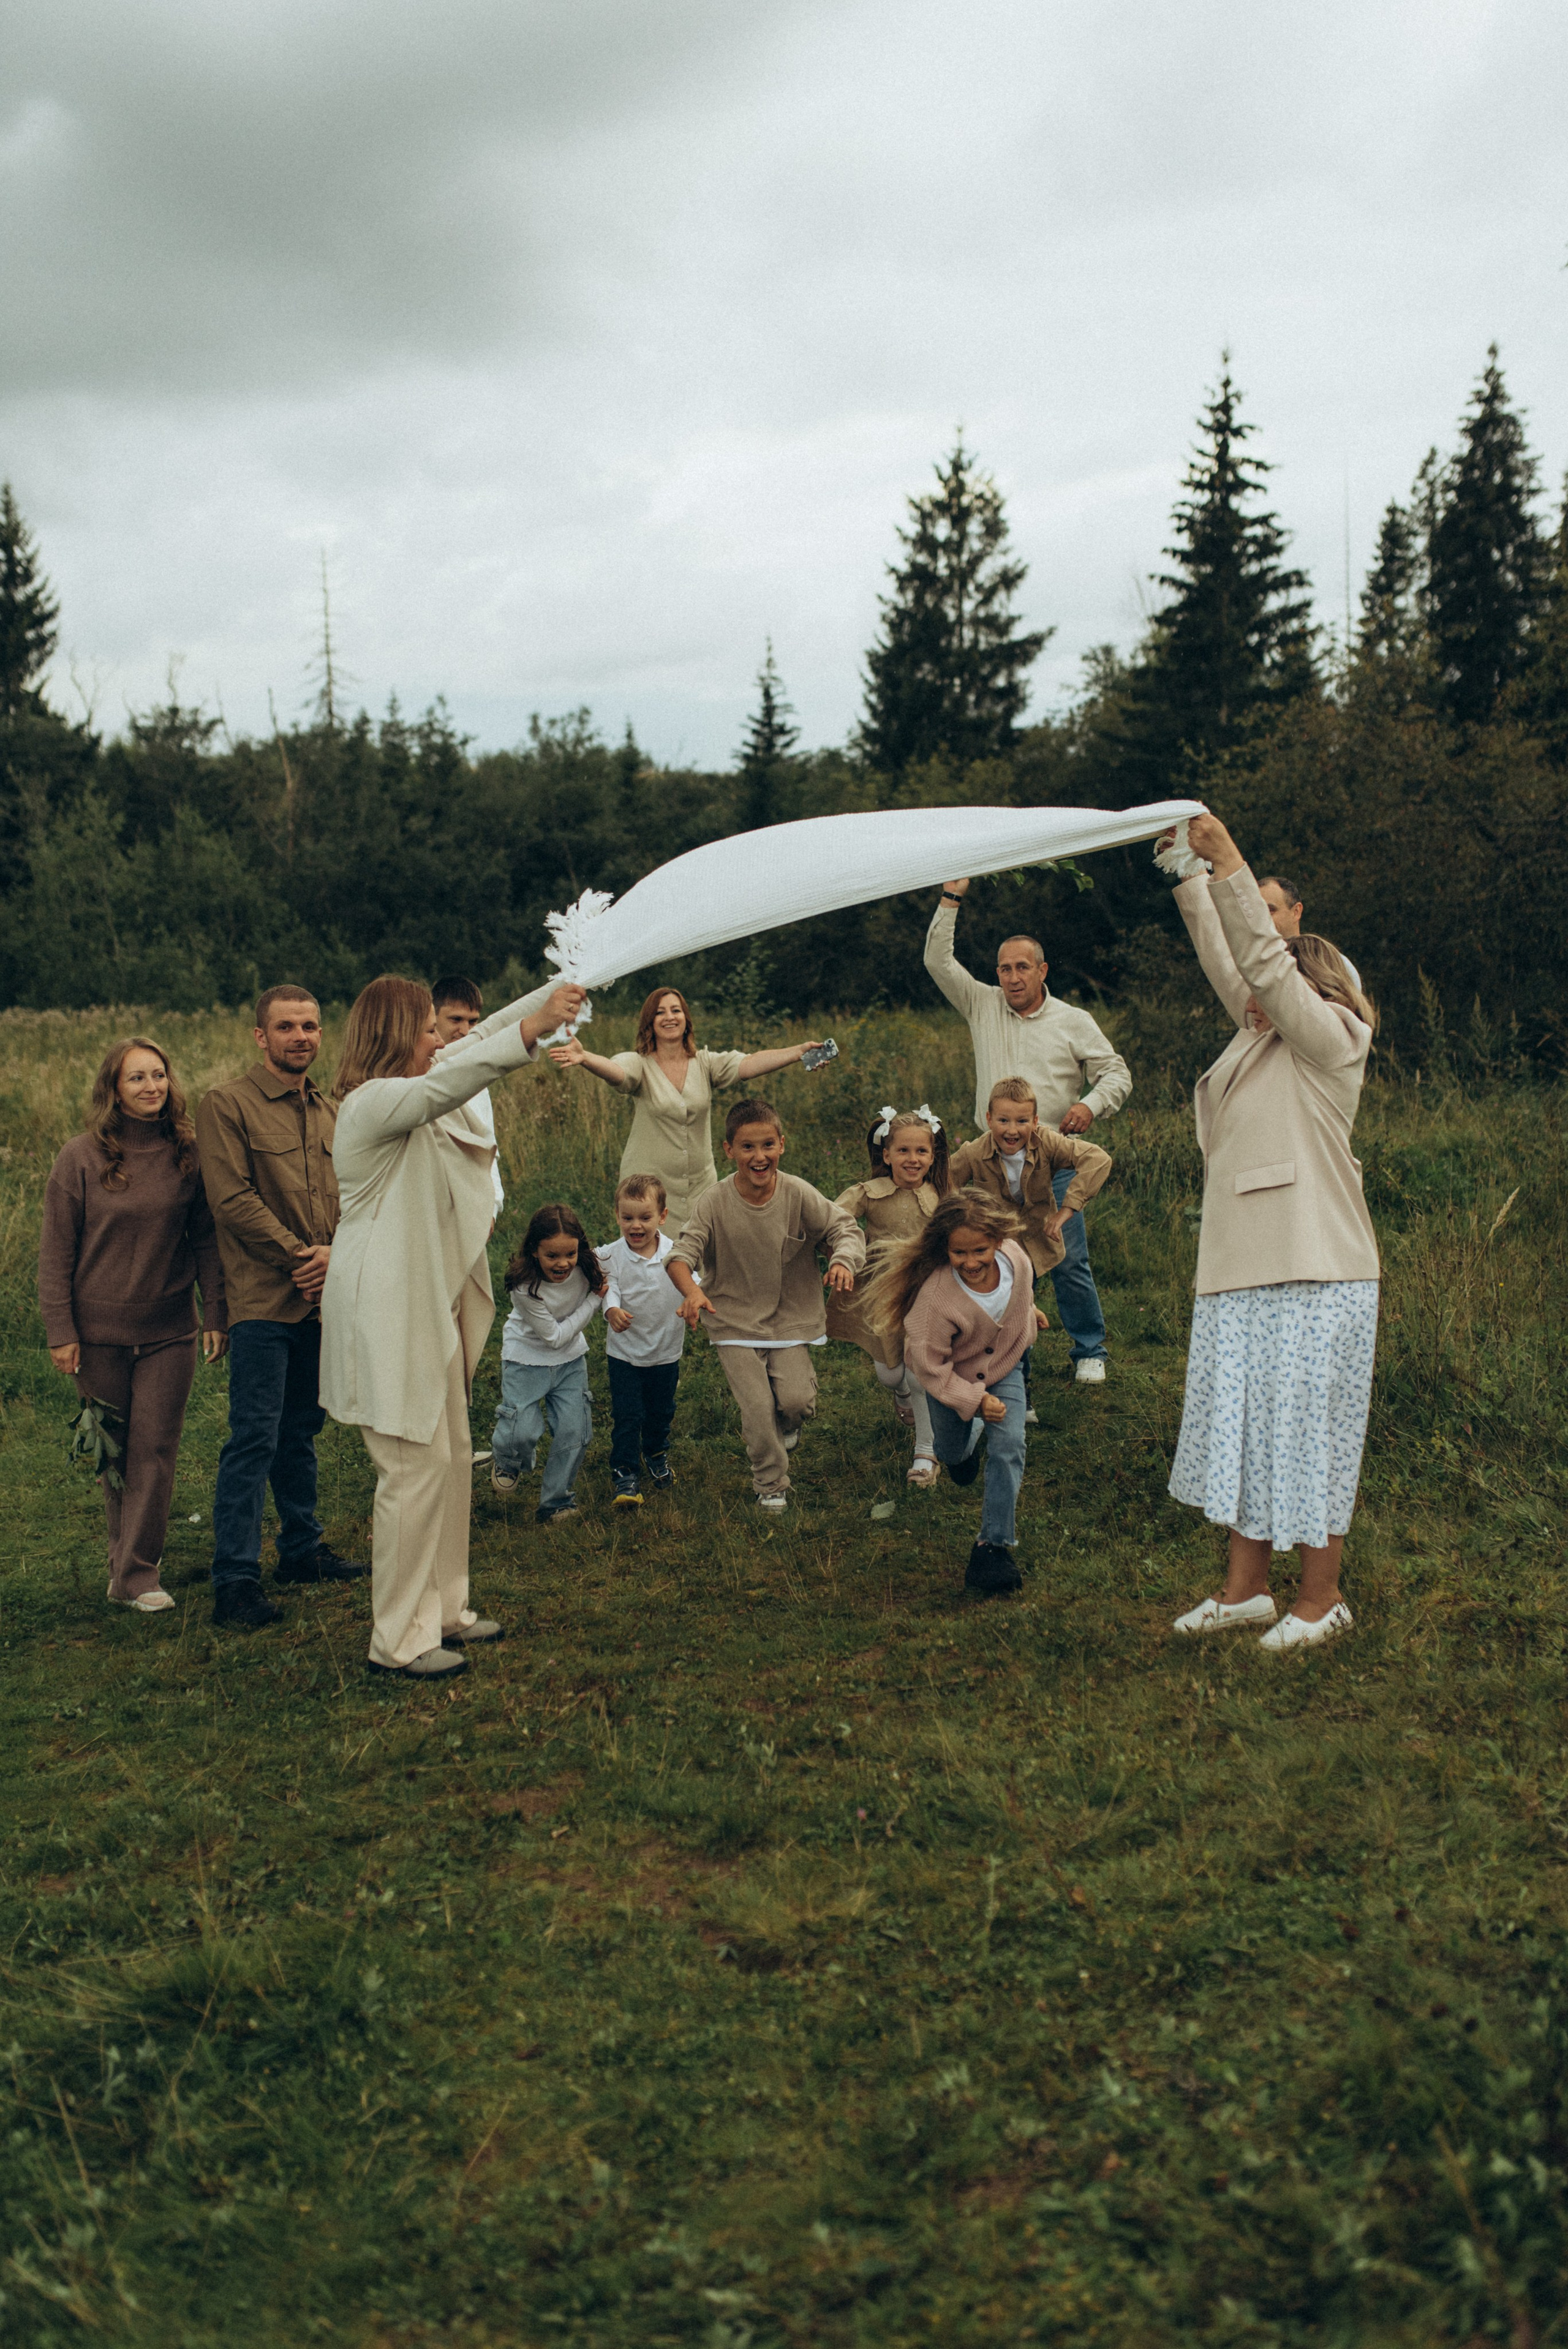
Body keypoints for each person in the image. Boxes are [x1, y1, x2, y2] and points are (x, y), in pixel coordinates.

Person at [320, 973, 585, 1678]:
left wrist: (554, 995)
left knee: (446, 1457)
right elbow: (459, 1075)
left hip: (422, 1304)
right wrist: (535, 1032)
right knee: (410, 1468)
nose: (442, 1040)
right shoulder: (373, 1102)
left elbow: (483, 1033)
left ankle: (443, 1609)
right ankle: (396, 1641)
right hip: (386, 1307)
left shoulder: (410, 1082)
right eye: (430, 1029)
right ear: (396, 1035)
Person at [1162, 815, 1380, 1653]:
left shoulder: (1331, 1040)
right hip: (1241, 1267)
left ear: (1313, 986)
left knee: (1309, 1433)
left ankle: (1322, 1600)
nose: (1255, 992)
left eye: (1281, 981)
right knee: (1245, 1431)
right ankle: (1246, 1590)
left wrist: (1233, 863)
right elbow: (1232, 963)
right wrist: (1188, 868)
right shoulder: (1255, 1038)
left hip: (1317, 1267)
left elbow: (1257, 961)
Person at [38, 1036, 228, 1615]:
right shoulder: (80, 1158)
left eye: (159, 1075)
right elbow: (56, 1254)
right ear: (114, 1091)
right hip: (96, 1336)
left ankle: (139, 1572)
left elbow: (206, 1241)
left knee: (156, 1448)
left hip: (171, 1327)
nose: (152, 1087)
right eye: (137, 1078)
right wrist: (60, 1330)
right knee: (112, 1453)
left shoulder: (189, 1154)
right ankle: (124, 1564)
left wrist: (216, 1312)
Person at [197, 985, 363, 1629]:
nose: (302, 1036)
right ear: (260, 1036)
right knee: (254, 1437)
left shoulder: (334, 1111)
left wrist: (337, 1257)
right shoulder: (227, 1105)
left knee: (301, 1432)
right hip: (264, 1301)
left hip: (323, 1302)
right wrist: (305, 1256)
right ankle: (234, 1578)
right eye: (287, 1026)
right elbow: (232, 1200)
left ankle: (302, 1548)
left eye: (312, 1026)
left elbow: (356, 1195)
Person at [924, 882, 1128, 1384]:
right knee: (1001, 1262)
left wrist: (1089, 1103)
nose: (1013, 977)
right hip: (992, 1159)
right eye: (1005, 968)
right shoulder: (982, 1003)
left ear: (1042, 971)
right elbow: (937, 960)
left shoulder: (1072, 1020)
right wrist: (951, 898)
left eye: (1023, 967)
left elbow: (1117, 1072)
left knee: (1066, 1255)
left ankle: (1088, 1350)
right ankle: (1012, 1361)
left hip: (1051, 1156)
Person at [668, 1098, 864, 1511]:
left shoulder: (796, 1192)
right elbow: (681, 1255)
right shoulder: (715, 1201)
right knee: (757, 1409)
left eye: (768, 1146)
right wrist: (692, 1290)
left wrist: (844, 1259)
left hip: (791, 1317)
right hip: (731, 1317)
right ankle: (771, 1484)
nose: (759, 1157)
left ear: (782, 1145)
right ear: (728, 1150)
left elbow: (842, 1226)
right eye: (748, 1148)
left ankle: (788, 1424)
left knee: (796, 1402)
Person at [865, 1192, 1046, 1597]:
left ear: (999, 1241)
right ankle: (965, 1450)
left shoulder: (1016, 1259)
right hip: (949, 1378)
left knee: (1010, 1445)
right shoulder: (935, 1300)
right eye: (959, 1252)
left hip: (1006, 1365)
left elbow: (1020, 1295)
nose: (971, 1261)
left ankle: (992, 1548)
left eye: (980, 1250)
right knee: (950, 1451)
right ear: (945, 1249)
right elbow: (930, 1368)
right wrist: (975, 1401)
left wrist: (1029, 1314)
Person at [548, 986, 835, 1235]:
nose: (670, 1017)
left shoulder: (705, 1063)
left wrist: (797, 1052)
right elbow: (618, 1072)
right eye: (660, 1012)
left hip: (700, 1185)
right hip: (649, 1192)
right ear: (650, 1021)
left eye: (676, 1010)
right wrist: (586, 1058)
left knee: (701, 1262)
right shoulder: (640, 1064)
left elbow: (749, 1064)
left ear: (686, 1019)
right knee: (653, 1265)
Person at [946, 1076, 1113, 1416]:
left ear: (1035, 1122)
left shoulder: (1047, 1142)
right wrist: (965, 1223)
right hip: (998, 1248)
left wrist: (1067, 1211)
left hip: (1039, 1240)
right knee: (1010, 1315)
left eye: (1022, 1121)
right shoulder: (975, 1152)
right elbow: (945, 1182)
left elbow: (1097, 1159)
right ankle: (1017, 1394)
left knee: (1068, 1276)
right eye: (1004, 1120)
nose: (1013, 1130)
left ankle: (1090, 1352)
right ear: (989, 1118)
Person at [825, 1106, 948, 1488]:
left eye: (921, 1152)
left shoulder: (941, 1195)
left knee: (918, 1370)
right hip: (883, 1290)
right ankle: (901, 1395)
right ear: (887, 1154)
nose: (913, 1160)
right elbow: (831, 1219)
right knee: (890, 1372)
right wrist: (840, 1252)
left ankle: (927, 1452)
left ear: (933, 1156)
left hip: (928, 1289)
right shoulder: (869, 1194)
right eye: (904, 1152)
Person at [490, 1203, 605, 1525]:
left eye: (570, 1254)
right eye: (552, 1255)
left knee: (575, 1429)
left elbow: (616, 1269)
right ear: (534, 1251)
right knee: (521, 1433)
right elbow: (555, 1337)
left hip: (570, 1364)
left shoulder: (588, 1265)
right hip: (525, 1359)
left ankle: (556, 1503)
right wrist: (595, 1301)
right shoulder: (524, 1287)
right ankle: (508, 1459)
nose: (563, 1263)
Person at [598, 1174, 686, 1509]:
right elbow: (608, 1285)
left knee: (661, 1411)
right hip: (625, 1355)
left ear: (662, 1217)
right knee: (628, 1414)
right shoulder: (613, 1255)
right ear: (618, 1216)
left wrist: (693, 1301)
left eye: (645, 1218)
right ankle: (625, 1473)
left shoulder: (675, 1253)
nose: (636, 1226)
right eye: (628, 1218)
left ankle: (656, 1453)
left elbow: (692, 1283)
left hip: (665, 1352)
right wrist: (612, 1310)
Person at [431, 976, 506, 1219]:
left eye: (473, 1022)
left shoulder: (477, 1081)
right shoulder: (415, 1074)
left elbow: (488, 1146)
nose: (465, 1031)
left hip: (471, 1211)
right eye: (456, 1020)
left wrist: (493, 1208)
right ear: (433, 1017)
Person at [1258, 873, 1362, 992]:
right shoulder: (1248, 968)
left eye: (1271, 911)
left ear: (1296, 912)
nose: (1262, 919)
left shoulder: (1335, 965)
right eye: (1258, 912)